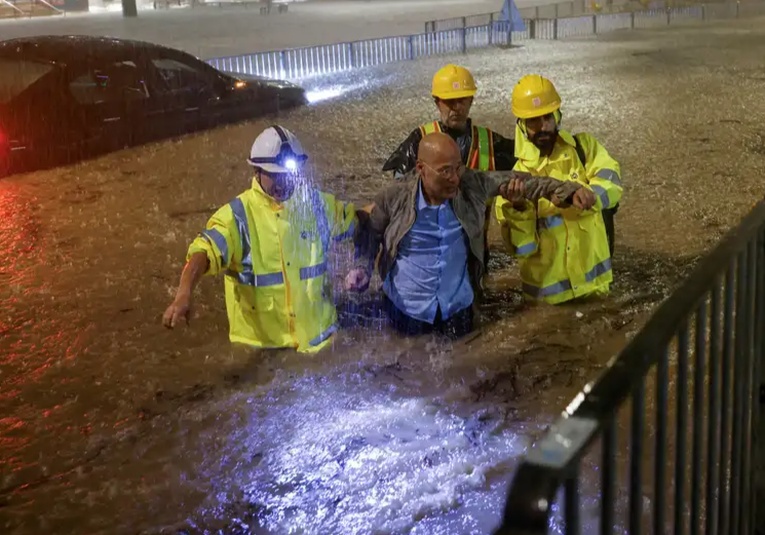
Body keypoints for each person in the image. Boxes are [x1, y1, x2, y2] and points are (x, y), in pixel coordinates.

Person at [346, 132, 585, 338]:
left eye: (457, 167)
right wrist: (362, 267)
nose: (455, 178)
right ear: (421, 169)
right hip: (406, 310)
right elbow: (371, 234)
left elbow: (529, 182)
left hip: (457, 310)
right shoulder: (394, 196)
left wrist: (569, 191)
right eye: (445, 171)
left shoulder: (471, 184)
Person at [162, 125, 364, 354]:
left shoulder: (318, 205)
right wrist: (184, 293)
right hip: (265, 354)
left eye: (289, 174)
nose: (283, 182)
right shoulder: (237, 217)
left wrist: (364, 261)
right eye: (274, 175)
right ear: (256, 172)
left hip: (322, 344)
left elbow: (360, 222)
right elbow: (203, 253)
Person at [494, 74, 623, 305]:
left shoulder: (584, 148)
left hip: (596, 290)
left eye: (547, 117)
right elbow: (522, 250)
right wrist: (518, 207)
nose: (542, 126)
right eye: (533, 121)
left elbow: (613, 183)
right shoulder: (514, 180)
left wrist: (593, 195)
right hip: (548, 304)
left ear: (558, 115)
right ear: (521, 125)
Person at [380, 64, 518, 270]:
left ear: (471, 100)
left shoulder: (490, 143)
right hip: (427, 251)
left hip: (473, 252)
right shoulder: (419, 141)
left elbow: (530, 162)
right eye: (449, 101)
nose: (456, 107)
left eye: (462, 100)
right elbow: (396, 198)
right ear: (437, 103)